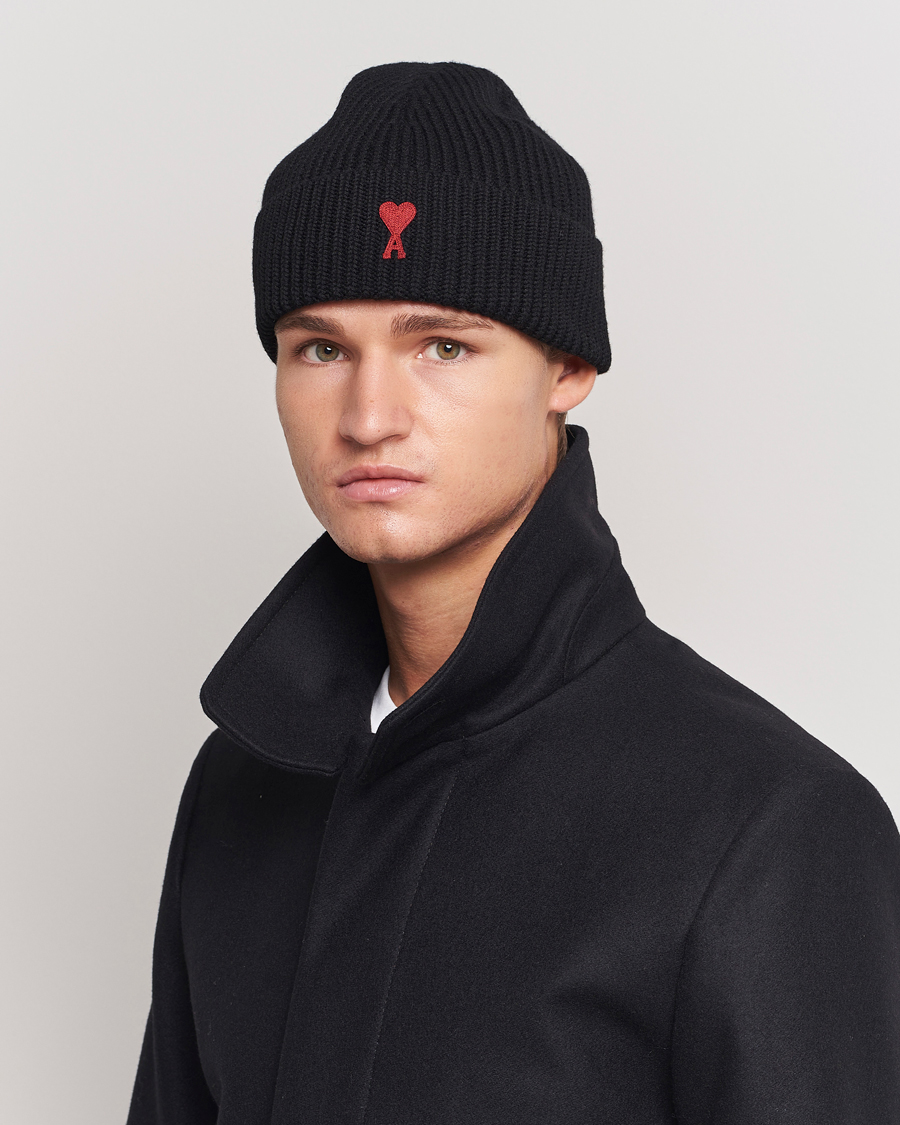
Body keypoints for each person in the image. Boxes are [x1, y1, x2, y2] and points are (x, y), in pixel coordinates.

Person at [126, 62, 900, 1125]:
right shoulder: (244, 781)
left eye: (443, 345)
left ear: (568, 367)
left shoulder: (766, 824)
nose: (368, 416)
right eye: (320, 348)